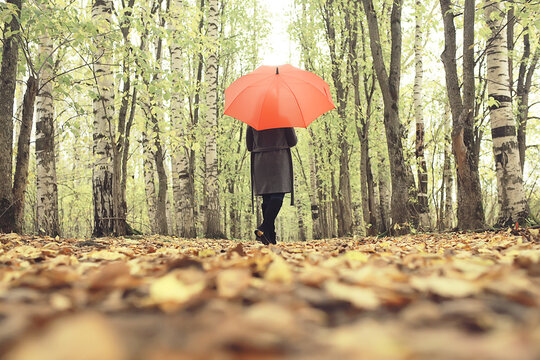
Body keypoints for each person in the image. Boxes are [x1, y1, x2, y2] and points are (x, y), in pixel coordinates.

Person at [246, 126, 297, 244]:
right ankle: (264, 227)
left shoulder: (253, 122)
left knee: (267, 198)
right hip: (279, 159)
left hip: (261, 160)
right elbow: (292, 142)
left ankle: (270, 237)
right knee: (278, 195)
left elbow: (249, 146)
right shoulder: (284, 120)